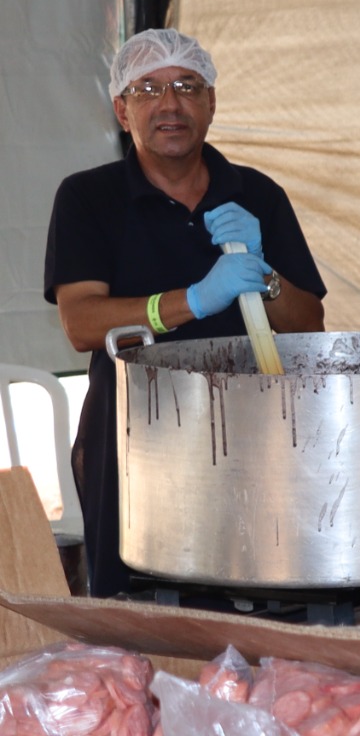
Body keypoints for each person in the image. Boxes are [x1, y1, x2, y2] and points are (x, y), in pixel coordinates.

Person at [43, 29, 327, 596]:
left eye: (187, 86)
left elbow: (309, 325)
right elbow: (81, 323)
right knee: (139, 610)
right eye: (148, 89)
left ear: (211, 103)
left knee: (263, 599)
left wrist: (267, 278)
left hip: (254, 432)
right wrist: (193, 300)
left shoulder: (258, 195)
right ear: (122, 110)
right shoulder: (87, 197)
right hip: (134, 439)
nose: (170, 103)